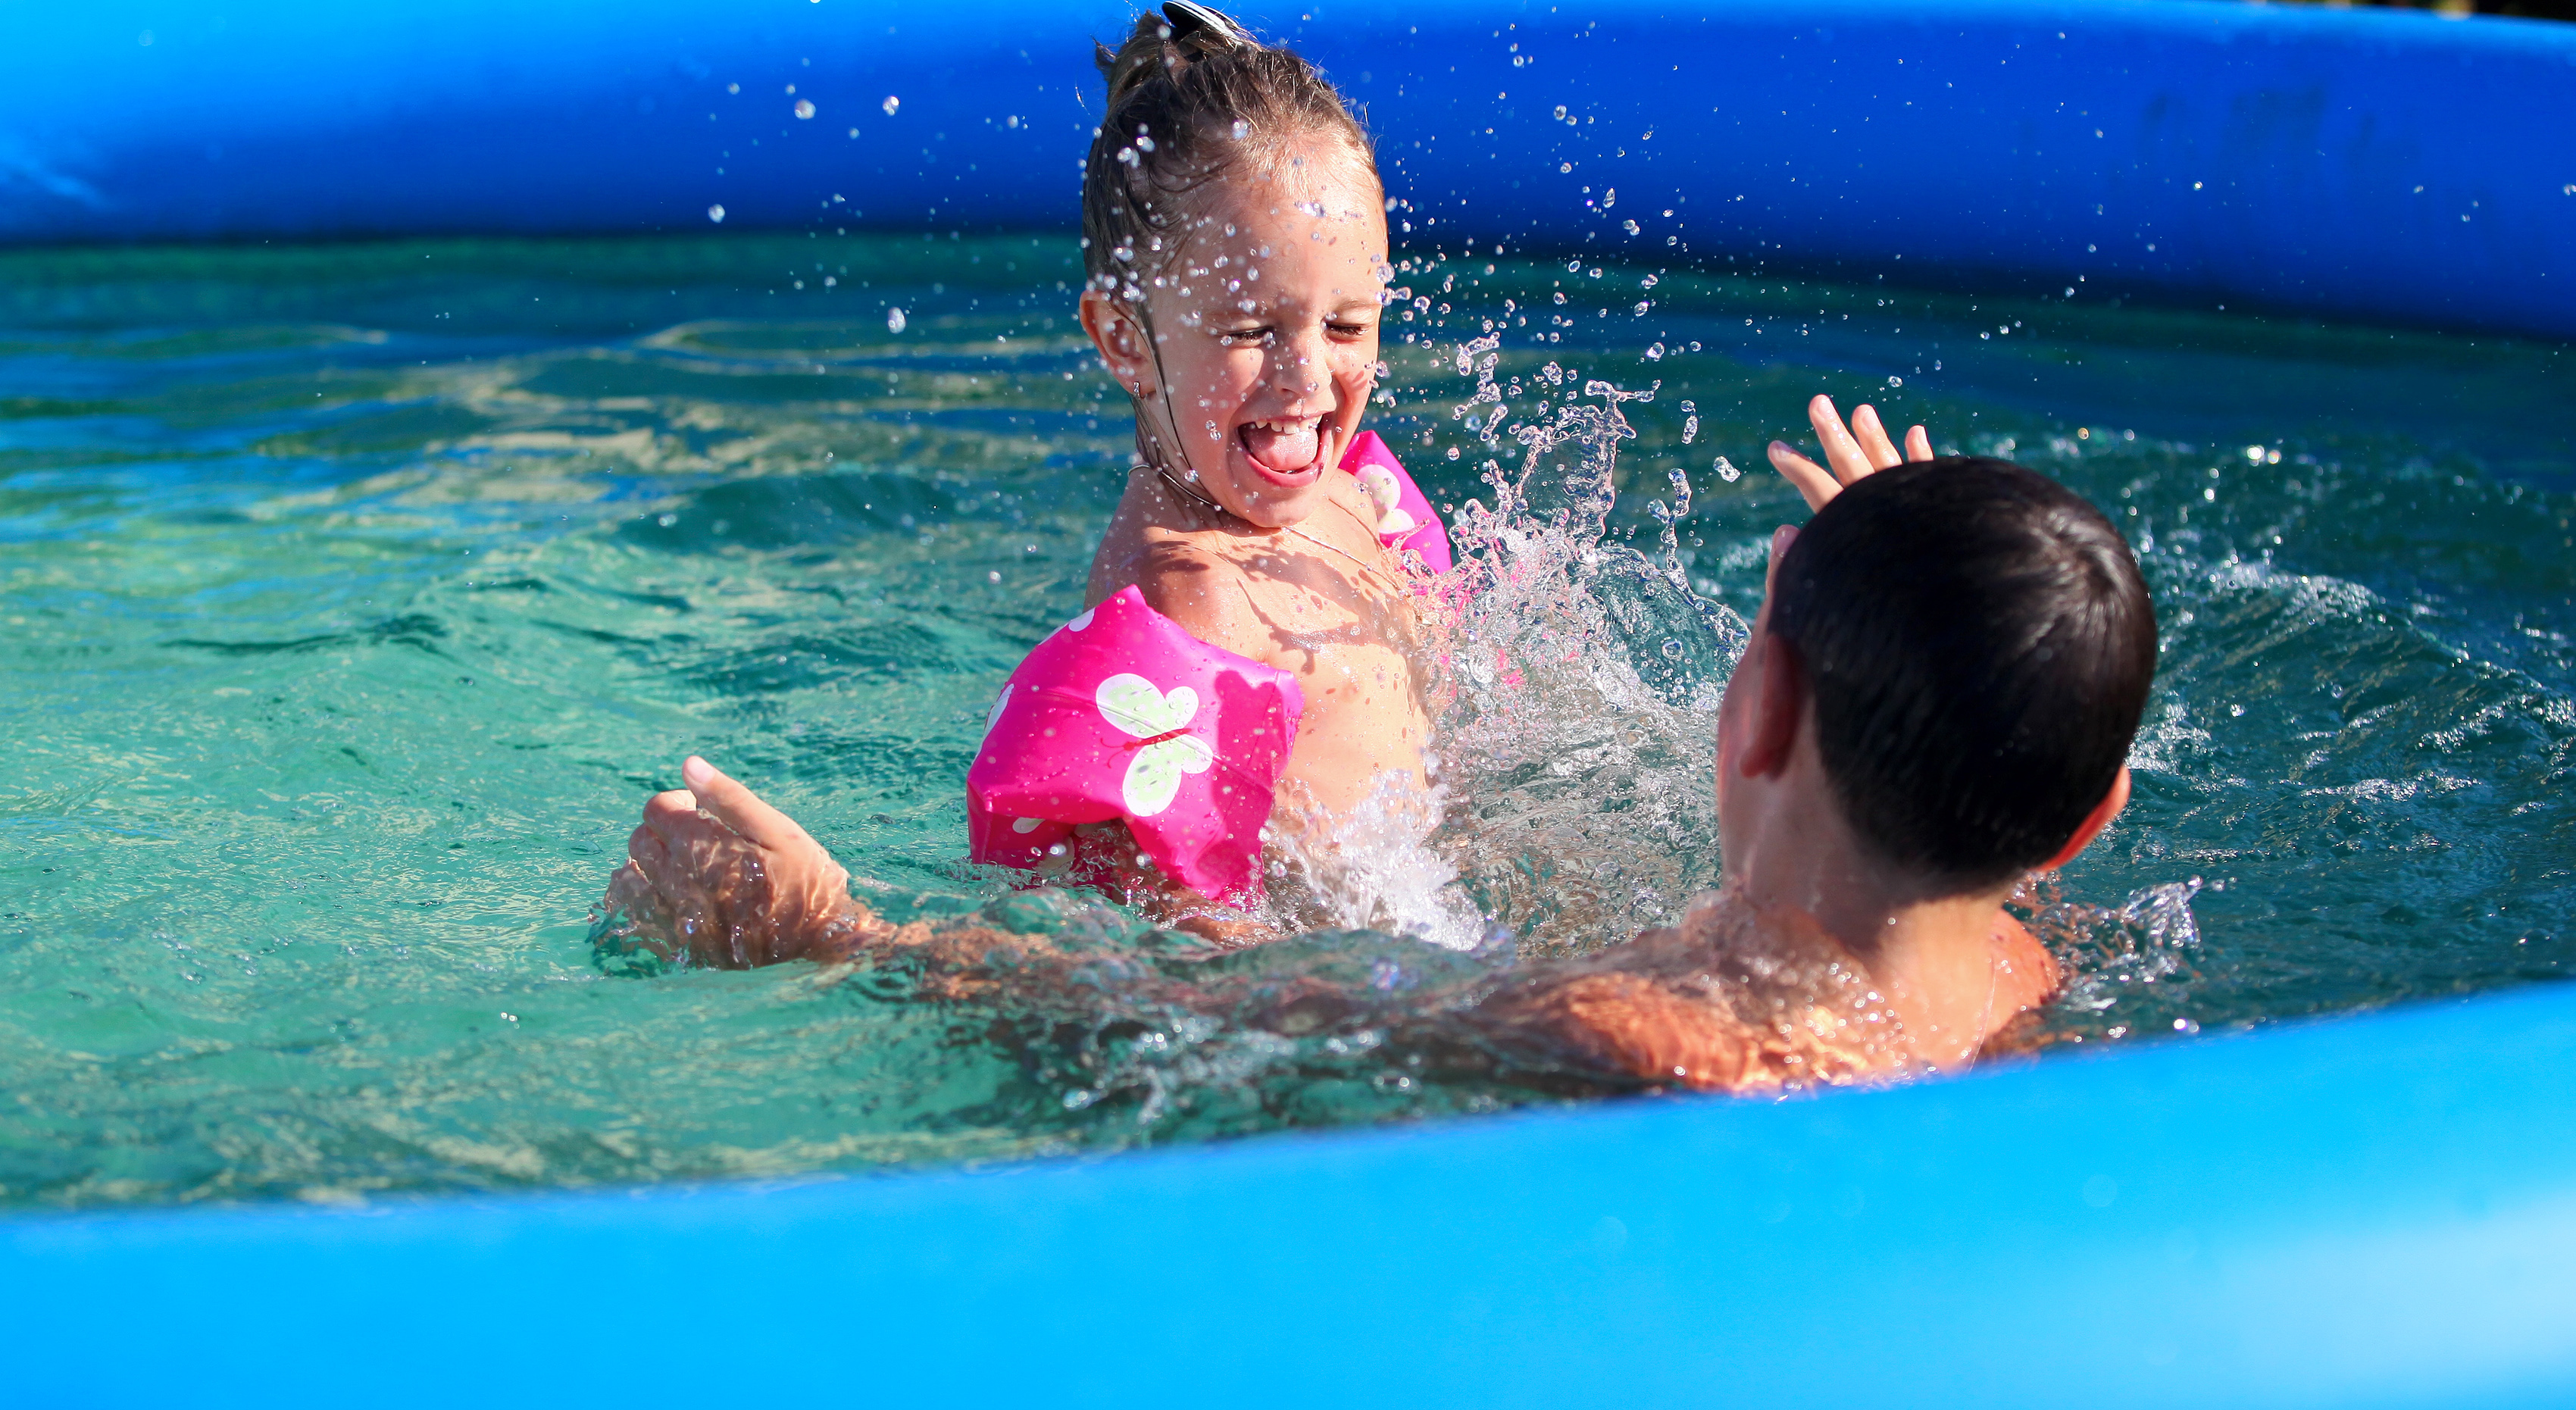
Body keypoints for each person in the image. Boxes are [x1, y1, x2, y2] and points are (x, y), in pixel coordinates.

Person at [603, 430, 2159, 1093]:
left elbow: (1193, 1029)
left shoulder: (1641, 1038)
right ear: (2087, 817)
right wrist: (1921, 593)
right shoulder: (2023, 965)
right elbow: (2029, 759)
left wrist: (832, 939)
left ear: (1747, 720)